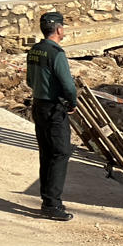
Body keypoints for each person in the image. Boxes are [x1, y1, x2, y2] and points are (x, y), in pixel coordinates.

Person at [26, 11, 78, 222]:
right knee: (60, 153)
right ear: (58, 29)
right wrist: (72, 103)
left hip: (38, 105)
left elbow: (30, 80)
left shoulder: (34, 51)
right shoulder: (56, 53)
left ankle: (47, 199)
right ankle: (52, 204)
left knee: (46, 153)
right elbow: (68, 85)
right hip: (55, 109)